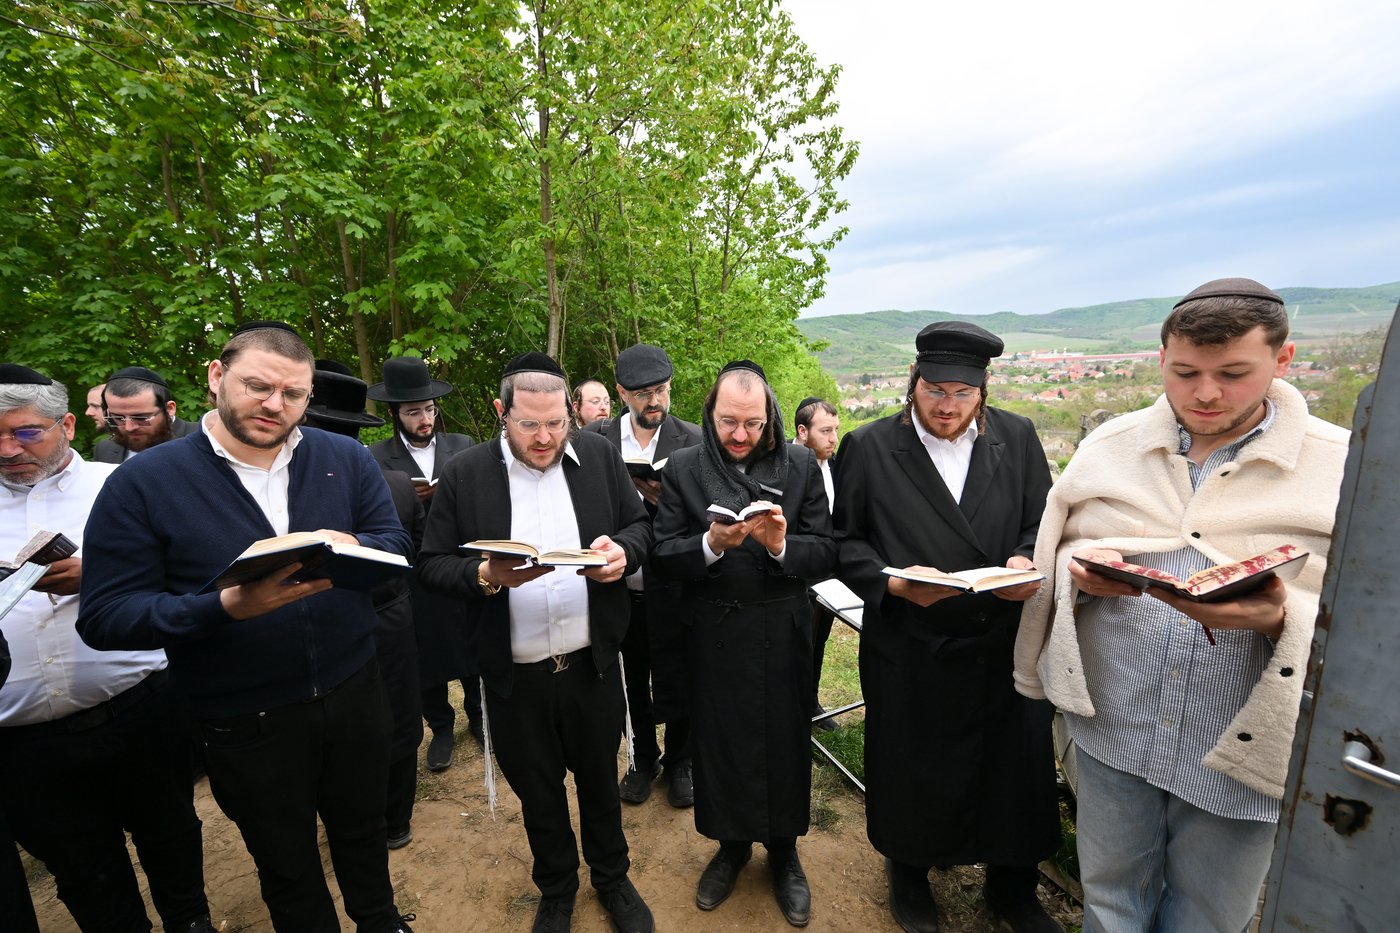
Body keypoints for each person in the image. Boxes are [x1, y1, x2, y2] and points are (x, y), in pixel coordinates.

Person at [1014, 277, 1351, 933]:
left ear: (1283, 359)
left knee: (1208, 918)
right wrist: (1083, 572)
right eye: (1186, 372)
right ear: (1161, 357)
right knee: (1110, 901)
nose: (1205, 394)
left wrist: (1282, 619)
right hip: (1117, 724)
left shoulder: (1343, 468)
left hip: (1241, 751)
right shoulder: (1111, 447)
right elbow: (1061, 543)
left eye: (1233, 374)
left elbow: (1373, 624)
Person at [76, 323, 417, 933]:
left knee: (364, 831)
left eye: (293, 394)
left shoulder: (343, 458)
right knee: (285, 859)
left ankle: (380, 920)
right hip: (243, 717)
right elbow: (105, 617)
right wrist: (223, 608)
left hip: (354, 691)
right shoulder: (143, 482)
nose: (274, 405)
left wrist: (353, 546)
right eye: (258, 386)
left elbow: (395, 543)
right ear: (217, 376)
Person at [832, 321, 1061, 933]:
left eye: (962, 394)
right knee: (914, 766)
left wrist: (1023, 559)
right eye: (935, 390)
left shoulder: (1017, 436)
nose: (947, 406)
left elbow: (1040, 521)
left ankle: (1012, 886)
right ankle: (909, 871)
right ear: (914, 382)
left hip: (1000, 640)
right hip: (914, 643)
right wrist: (893, 584)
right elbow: (844, 542)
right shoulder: (870, 446)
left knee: (1012, 770)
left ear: (983, 391)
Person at [417, 352, 655, 933]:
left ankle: (612, 878)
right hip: (516, 675)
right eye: (529, 424)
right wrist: (485, 576)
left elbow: (640, 526)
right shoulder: (466, 474)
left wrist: (624, 554)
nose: (545, 438)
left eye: (556, 423)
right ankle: (556, 888)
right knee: (539, 792)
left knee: (600, 782)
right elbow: (431, 564)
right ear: (502, 413)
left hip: (592, 665)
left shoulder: (599, 457)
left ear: (571, 413)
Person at [0, 363, 214, 933]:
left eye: (25, 432)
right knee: (82, 867)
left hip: (139, 710)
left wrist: (102, 573)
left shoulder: (126, 485)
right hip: (25, 739)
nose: (7, 449)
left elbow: (193, 571)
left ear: (67, 424)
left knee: (170, 832)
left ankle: (191, 922)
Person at [652, 360, 837, 928]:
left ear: (770, 417)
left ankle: (784, 851)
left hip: (782, 629)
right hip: (713, 632)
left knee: (784, 741)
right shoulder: (683, 467)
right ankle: (731, 847)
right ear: (710, 413)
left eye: (753, 424)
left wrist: (782, 546)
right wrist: (710, 545)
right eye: (729, 422)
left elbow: (826, 551)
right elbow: (663, 553)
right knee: (720, 742)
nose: (740, 435)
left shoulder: (800, 464)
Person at [305, 361, 426, 851]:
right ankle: (393, 818)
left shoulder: (389, 484)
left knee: (386, 721)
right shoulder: (395, 481)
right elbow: (415, 553)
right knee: (391, 720)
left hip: (371, 622)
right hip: (381, 621)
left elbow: (412, 549)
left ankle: (383, 819)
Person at [584, 343, 701, 807]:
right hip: (619, 586)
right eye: (643, 394)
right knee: (628, 679)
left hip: (674, 585)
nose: (655, 402)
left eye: (662, 390)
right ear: (621, 393)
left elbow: (709, 517)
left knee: (681, 674)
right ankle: (641, 759)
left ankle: (681, 762)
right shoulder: (595, 440)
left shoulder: (693, 439)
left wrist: (665, 499)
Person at [368, 356, 481, 773]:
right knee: (425, 652)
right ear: (395, 414)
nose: (425, 419)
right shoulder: (377, 458)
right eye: (414, 412)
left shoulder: (463, 446)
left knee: (472, 641)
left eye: (430, 409)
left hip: (461, 560)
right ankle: (441, 727)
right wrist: (403, 497)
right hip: (415, 571)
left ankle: (479, 716)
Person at [792, 396, 840, 732]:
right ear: (802, 431)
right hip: (794, 572)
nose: (833, 438)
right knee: (795, 644)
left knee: (819, 639)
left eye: (835, 430)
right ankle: (791, 710)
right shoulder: (782, 465)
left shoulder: (836, 466)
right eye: (825, 431)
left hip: (829, 573)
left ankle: (811, 702)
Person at [93, 366, 197, 462]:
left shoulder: (201, 439)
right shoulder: (104, 450)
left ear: (169, 409)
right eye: (118, 418)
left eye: (140, 418)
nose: (129, 428)